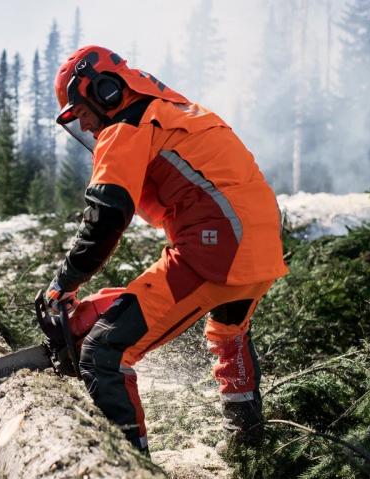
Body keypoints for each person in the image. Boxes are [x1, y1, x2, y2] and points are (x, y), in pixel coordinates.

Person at [43, 45, 288, 455]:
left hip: (218, 249)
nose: (84, 126)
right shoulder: (177, 112)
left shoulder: (129, 124)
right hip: (260, 244)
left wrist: (63, 282)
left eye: (82, 112)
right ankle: (250, 451)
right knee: (228, 334)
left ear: (104, 91)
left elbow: (106, 215)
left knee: (104, 350)